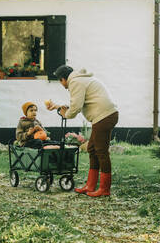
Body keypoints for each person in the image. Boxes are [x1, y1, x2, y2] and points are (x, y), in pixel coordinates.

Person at [47, 65, 119, 197]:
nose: (63, 85)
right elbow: (76, 103)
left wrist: (66, 114)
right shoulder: (80, 80)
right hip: (106, 115)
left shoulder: (75, 82)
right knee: (92, 149)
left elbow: (75, 108)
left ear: (63, 79)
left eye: (60, 81)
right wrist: (59, 107)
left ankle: (104, 189)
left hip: (103, 116)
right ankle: (90, 186)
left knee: (101, 151)